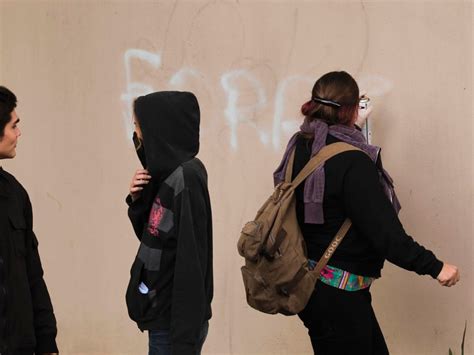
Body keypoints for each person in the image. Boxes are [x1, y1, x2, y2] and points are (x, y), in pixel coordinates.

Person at [273, 72, 460, 355]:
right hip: (338, 297)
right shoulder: (352, 161)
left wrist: (351, 127)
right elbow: (387, 237)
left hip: (310, 287)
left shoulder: (301, 145)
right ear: (349, 109)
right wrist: (435, 267)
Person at [125, 91, 213, 355]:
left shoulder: (185, 178)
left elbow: (190, 260)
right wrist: (138, 199)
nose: (137, 136)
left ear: (158, 130)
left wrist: (183, 340)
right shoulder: (169, 176)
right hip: (165, 319)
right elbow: (151, 237)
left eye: (139, 127)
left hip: (174, 327)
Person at [0, 86, 58, 355]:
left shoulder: (15, 193)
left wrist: (47, 341)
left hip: (19, 346)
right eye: (14, 126)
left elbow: (33, 274)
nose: (18, 133)